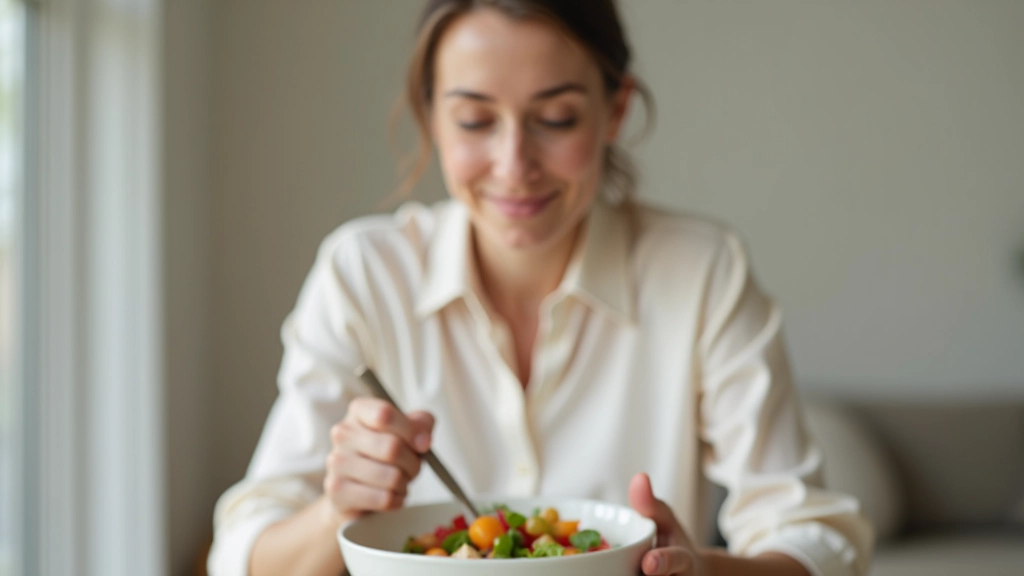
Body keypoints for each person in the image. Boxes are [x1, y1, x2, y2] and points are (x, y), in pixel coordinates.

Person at [208, 1, 874, 575]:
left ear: (615, 111)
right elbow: (239, 556)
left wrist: (705, 569)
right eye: (474, 121)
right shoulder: (363, 274)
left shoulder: (701, 272)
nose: (513, 165)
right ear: (431, 116)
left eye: (555, 118)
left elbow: (816, 539)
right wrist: (338, 510)